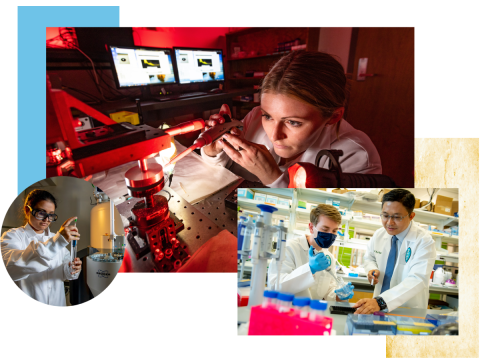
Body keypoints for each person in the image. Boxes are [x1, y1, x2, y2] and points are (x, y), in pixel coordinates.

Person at [200, 51, 381, 187]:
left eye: (293, 122)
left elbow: (336, 225)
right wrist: (214, 151)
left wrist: (274, 178)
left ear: (333, 117)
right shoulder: (255, 116)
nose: (274, 135)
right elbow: (224, 171)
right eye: (268, 116)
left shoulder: (357, 156)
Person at [352, 189, 436, 314]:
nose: (389, 222)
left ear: (411, 216)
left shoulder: (424, 241)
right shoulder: (379, 235)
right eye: (385, 216)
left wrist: (381, 301)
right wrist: (371, 269)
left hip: (407, 311)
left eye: (397, 217)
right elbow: (369, 258)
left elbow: (417, 278)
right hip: (377, 307)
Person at [0, 190, 82, 307]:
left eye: (51, 215)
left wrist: (72, 268)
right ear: (27, 210)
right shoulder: (12, 236)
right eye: (41, 213)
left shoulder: (55, 238)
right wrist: (58, 242)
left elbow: (65, 272)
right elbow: (11, 267)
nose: (46, 220)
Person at [268, 204, 354, 301]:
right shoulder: (289, 248)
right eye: (325, 229)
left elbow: (328, 291)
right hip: (288, 310)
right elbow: (275, 286)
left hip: (313, 313)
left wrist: (339, 295)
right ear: (311, 227)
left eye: (334, 231)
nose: (330, 235)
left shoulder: (329, 258)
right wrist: (309, 269)